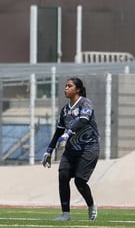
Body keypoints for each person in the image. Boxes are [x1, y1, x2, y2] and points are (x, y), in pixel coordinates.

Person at [42, 77, 100, 221]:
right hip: (71, 149)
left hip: (89, 147)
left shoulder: (85, 103)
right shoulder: (64, 110)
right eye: (65, 86)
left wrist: (68, 133)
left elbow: (83, 120)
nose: (65, 88)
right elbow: (58, 131)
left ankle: (91, 205)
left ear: (78, 89)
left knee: (79, 181)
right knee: (63, 176)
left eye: (69, 86)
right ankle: (66, 214)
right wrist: (49, 150)